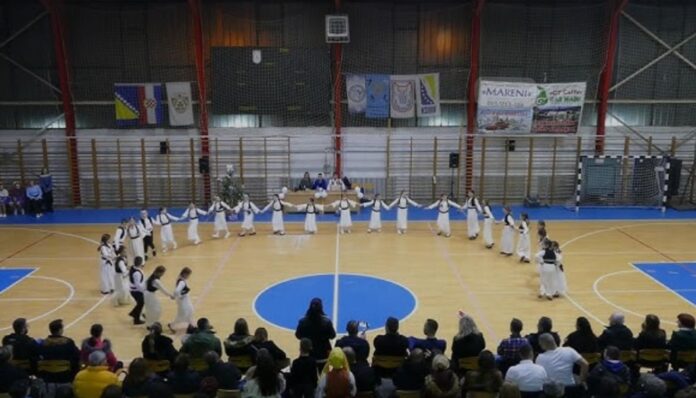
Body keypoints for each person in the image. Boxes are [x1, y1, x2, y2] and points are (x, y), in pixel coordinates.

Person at [294, 298, 336, 370]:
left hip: (308, 355)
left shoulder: (302, 322)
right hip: (323, 355)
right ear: (321, 308)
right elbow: (333, 336)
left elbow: (298, 335)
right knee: (324, 377)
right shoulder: (327, 322)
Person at [36, 319, 80, 384]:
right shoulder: (68, 342)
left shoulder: (43, 343)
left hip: (47, 376)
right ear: (60, 330)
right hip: (65, 376)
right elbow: (77, 357)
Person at [169, 267, 194, 332]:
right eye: (188, 275)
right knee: (182, 314)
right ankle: (172, 325)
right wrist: (179, 296)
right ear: (185, 274)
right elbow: (176, 291)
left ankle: (191, 325)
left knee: (190, 311)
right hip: (183, 300)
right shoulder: (182, 282)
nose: (189, 276)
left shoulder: (180, 279)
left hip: (185, 300)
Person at [128, 256, 146, 325]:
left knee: (140, 303)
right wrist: (143, 290)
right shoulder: (137, 273)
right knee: (141, 303)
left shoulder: (133, 268)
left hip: (135, 290)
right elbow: (138, 285)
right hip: (136, 291)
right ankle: (136, 319)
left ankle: (134, 313)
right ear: (140, 263)